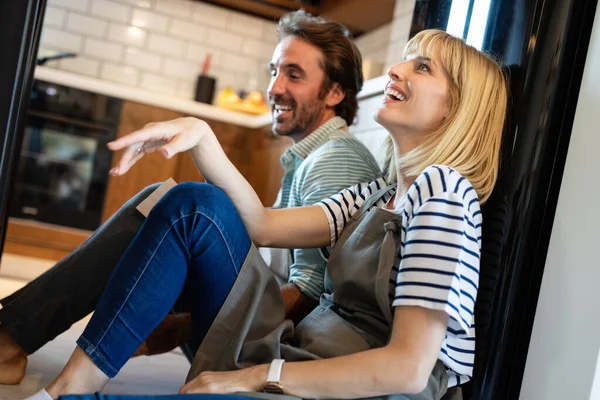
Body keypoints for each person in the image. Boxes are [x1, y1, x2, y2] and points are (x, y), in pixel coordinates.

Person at [24, 27, 508, 400]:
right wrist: (201, 135)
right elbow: (261, 224)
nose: (398, 71)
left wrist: (259, 376)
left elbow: (409, 369)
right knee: (197, 205)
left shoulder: (443, 193)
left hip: (360, 387)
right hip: (300, 351)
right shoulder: (378, 191)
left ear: (456, 110)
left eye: (422, 67)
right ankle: (69, 386)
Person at [0, 10, 381, 386]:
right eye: (273, 70)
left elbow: (310, 296)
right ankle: (11, 337)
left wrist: (182, 328)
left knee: (182, 207)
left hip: (276, 347)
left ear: (335, 92)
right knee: (159, 203)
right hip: (260, 317)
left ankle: (11, 340)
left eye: (293, 75)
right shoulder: (313, 155)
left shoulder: (337, 158)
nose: (274, 87)